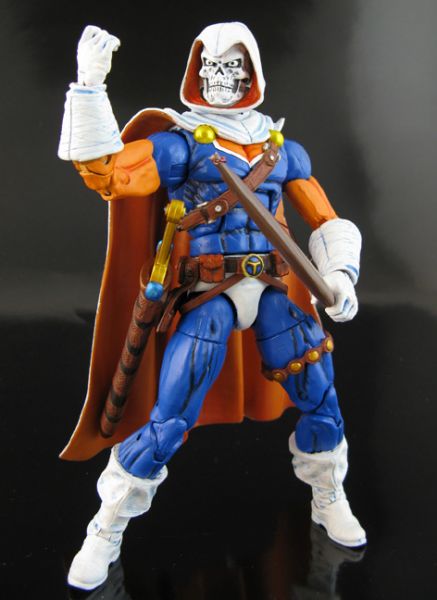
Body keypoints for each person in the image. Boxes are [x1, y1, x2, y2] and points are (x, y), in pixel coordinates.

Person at [58, 22, 366, 591]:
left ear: (251, 75)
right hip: (209, 295)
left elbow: (324, 218)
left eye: (231, 68)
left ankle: (328, 496)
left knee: (321, 399)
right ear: (196, 72)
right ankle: (106, 527)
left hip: (271, 291)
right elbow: (107, 176)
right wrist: (89, 87)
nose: (220, 78)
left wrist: (341, 275)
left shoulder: (281, 150)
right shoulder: (182, 143)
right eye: (211, 67)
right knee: (169, 418)